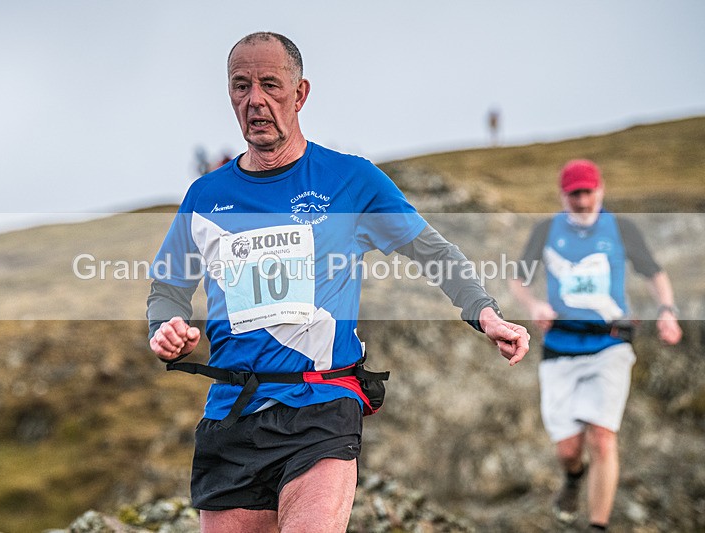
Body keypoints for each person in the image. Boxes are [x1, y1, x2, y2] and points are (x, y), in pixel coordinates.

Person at [147, 31, 529, 533]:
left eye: (270, 85)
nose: (255, 100)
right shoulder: (206, 195)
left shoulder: (351, 181)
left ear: (300, 93)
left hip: (321, 406)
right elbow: (169, 286)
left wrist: (484, 312)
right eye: (241, 86)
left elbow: (432, 251)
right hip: (233, 414)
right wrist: (165, 328)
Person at [508, 159, 682, 531]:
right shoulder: (545, 230)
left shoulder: (621, 228)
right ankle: (573, 478)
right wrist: (534, 305)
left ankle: (597, 526)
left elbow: (655, 273)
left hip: (610, 345)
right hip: (559, 348)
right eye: (575, 195)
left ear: (600, 190)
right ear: (563, 195)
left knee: (602, 438)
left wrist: (667, 310)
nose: (583, 201)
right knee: (569, 450)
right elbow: (518, 280)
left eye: (589, 193)